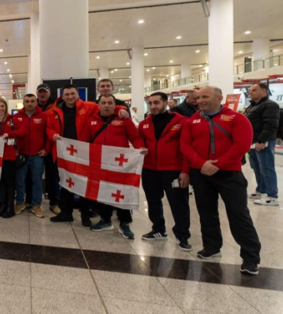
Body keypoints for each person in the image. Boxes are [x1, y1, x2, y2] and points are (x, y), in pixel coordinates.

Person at [181, 87, 262, 275]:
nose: (200, 100)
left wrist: (218, 164)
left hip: (229, 175)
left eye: (205, 97)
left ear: (219, 98)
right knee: (206, 213)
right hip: (201, 174)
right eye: (198, 97)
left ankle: (251, 258)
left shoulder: (237, 119)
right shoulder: (191, 121)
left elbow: (241, 145)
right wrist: (201, 164)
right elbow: (185, 145)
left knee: (238, 215)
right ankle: (211, 247)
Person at [48, 84, 129, 226]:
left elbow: (108, 107)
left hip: (84, 152)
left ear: (77, 94)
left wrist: (122, 109)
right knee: (66, 183)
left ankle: (85, 214)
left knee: (83, 184)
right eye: (67, 94)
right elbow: (49, 128)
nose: (70, 97)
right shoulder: (55, 111)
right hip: (64, 152)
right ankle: (66, 213)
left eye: (72, 94)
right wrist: (53, 135)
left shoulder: (89, 106)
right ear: (63, 96)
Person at [78, 95, 146, 239]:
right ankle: (105, 219)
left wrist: (140, 148)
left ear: (115, 105)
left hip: (120, 164)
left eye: (110, 103)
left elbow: (134, 137)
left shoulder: (123, 120)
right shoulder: (91, 120)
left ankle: (125, 222)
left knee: (121, 192)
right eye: (103, 103)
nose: (107, 105)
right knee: (103, 191)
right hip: (100, 163)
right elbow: (84, 141)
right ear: (99, 105)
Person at [138, 92, 191, 250]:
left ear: (166, 103)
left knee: (178, 203)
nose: (153, 106)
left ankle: (182, 235)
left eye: (156, 103)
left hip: (173, 171)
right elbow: (139, 140)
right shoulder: (144, 124)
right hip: (149, 170)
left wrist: (185, 171)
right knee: (153, 201)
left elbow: (187, 148)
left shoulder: (181, 122)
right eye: (150, 103)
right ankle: (158, 229)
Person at [14, 94, 52, 218]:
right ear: (23, 103)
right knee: (20, 181)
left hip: (37, 155)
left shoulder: (44, 116)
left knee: (37, 181)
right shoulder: (16, 117)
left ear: (36, 103)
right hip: (21, 155)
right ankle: (20, 202)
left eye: (32, 101)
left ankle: (36, 205)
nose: (29, 103)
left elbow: (48, 134)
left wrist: (46, 149)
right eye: (27, 101)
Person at [244, 82, 280, 206]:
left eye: (254, 90)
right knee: (256, 167)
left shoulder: (270, 105)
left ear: (264, 92)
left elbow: (270, 125)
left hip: (262, 141)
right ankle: (261, 190)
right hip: (252, 141)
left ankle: (272, 196)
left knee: (266, 168)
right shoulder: (253, 106)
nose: (250, 92)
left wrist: (261, 141)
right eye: (250, 90)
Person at [0, 98, 26, 218]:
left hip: (10, 155)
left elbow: (22, 131)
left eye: (2, 106)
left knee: (10, 182)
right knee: (1, 182)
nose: (0, 109)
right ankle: (3, 205)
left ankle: (10, 207)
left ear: (6, 107)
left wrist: (9, 134)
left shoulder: (12, 119)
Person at [36, 84, 60, 214]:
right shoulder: (33, 105)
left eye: (44, 92)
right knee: (34, 176)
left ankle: (54, 202)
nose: (42, 94)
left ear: (49, 93)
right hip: (36, 148)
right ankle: (33, 201)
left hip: (52, 147)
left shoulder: (57, 105)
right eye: (40, 92)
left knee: (53, 177)